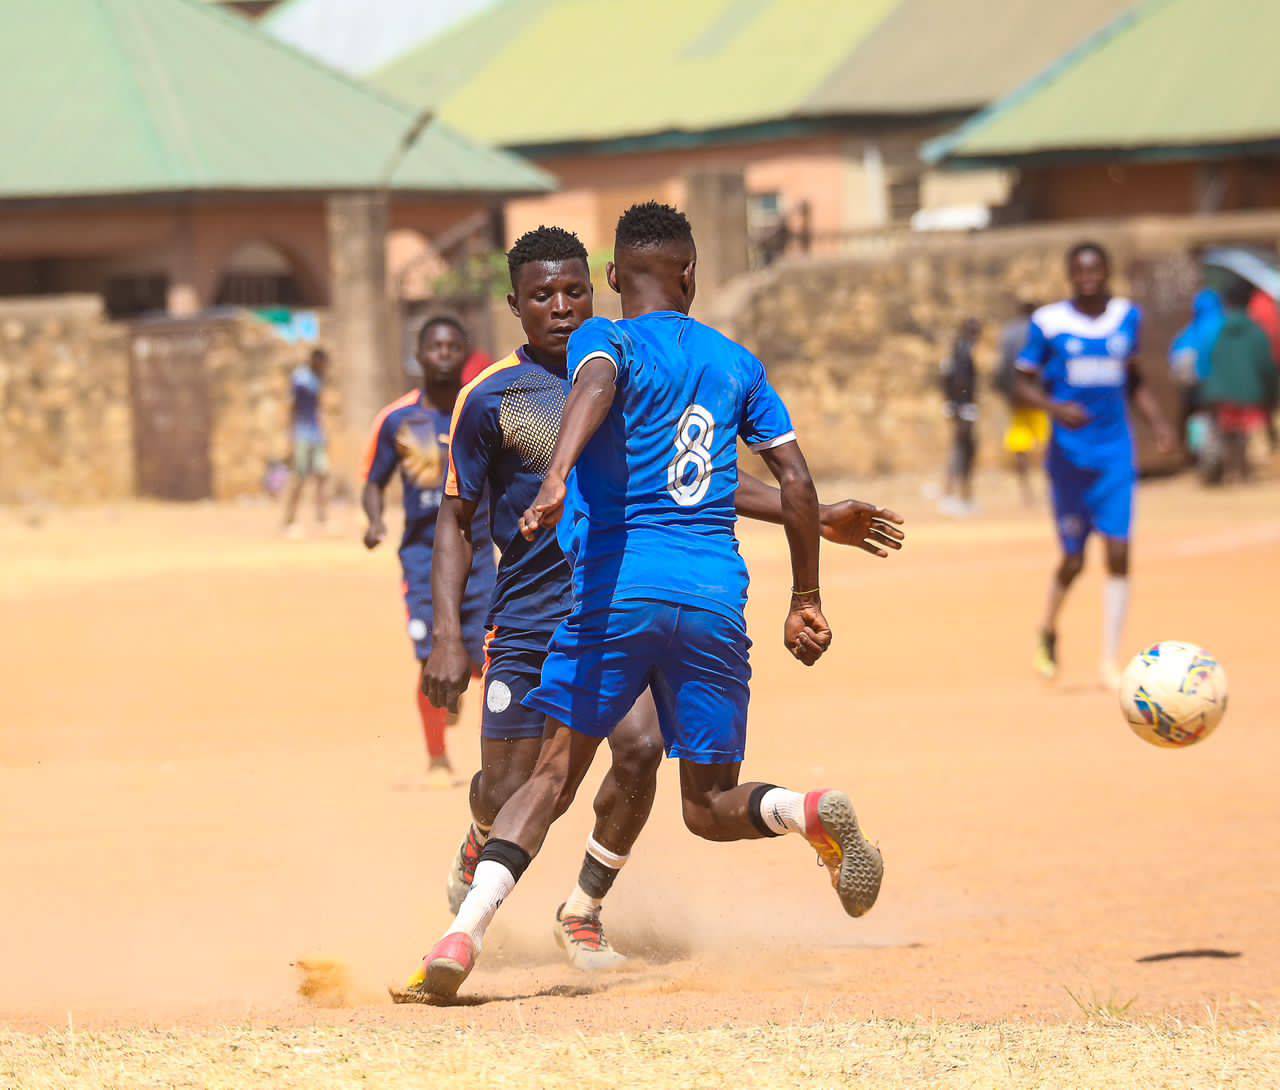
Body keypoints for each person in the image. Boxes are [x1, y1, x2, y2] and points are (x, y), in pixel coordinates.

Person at [411, 202, 886, 999]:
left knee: (631, 752)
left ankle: (581, 909)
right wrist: (452, 637)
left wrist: (812, 513)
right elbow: (456, 519)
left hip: (604, 602)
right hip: (530, 617)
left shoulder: (627, 360)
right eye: (542, 296)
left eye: (572, 294)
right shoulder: (498, 395)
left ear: (599, 289)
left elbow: (693, 482)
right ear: (516, 304)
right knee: (508, 788)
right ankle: (479, 850)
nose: (561, 308)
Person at [1014, 242, 1175, 689]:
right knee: (1073, 558)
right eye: (1080, 271)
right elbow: (1020, 383)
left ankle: (1110, 660)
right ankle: (1048, 627)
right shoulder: (1048, 324)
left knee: (1119, 552)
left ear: (1106, 272)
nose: (1089, 278)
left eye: (1096, 270)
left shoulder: (1127, 317)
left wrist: (1159, 423)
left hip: (1114, 453)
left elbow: (1134, 377)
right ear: (1070, 275)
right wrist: (1053, 407)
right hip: (1068, 459)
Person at [363, 317, 497, 787]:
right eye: (434, 346)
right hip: (422, 560)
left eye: (452, 346)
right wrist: (376, 519)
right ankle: (438, 759)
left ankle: (497, 761)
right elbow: (373, 482)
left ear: (465, 354)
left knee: (491, 657)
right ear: (418, 355)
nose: (443, 353)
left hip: (478, 557)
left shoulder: (479, 412)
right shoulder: (399, 419)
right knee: (431, 660)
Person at [1201, 275, 1278, 484]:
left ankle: (1231, 469)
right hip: (1251, 395)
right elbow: (1267, 366)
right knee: (1247, 431)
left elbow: (1203, 363)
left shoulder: (1214, 329)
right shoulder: (1257, 332)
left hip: (1219, 394)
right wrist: (1271, 394)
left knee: (1228, 430)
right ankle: (1243, 470)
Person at [996, 301, 1049, 505]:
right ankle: (1049, 487)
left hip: (1017, 398)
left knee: (1020, 444)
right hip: (1038, 397)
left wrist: (1008, 393)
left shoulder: (1008, 334)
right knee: (1046, 442)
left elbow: (1003, 367)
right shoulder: (1040, 332)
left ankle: (1026, 491)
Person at [283, 347, 330, 536]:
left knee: (323, 473)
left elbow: (318, 408)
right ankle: (289, 519)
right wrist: (290, 435)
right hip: (302, 433)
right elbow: (292, 407)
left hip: (316, 434)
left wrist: (324, 432)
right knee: (300, 477)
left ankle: (322, 518)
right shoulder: (301, 379)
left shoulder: (319, 379)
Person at [938, 317, 981, 515]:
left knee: (964, 450)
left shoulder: (961, 350)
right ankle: (953, 495)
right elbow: (958, 381)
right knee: (962, 452)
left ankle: (961, 496)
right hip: (962, 409)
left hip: (960, 407)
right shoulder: (962, 352)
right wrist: (962, 406)